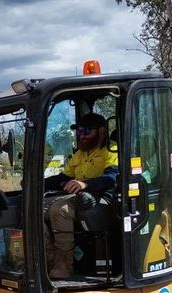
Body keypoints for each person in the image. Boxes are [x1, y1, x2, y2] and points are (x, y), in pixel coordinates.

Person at [43, 112, 118, 278]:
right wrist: (35, 184)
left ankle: (64, 266)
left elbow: (112, 178)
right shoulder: (80, 154)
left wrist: (86, 184)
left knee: (60, 209)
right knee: (33, 208)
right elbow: (63, 177)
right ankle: (47, 260)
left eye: (86, 131)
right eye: (79, 132)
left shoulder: (111, 150)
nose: (81, 136)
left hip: (102, 199)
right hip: (80, 197)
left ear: (102, 132)